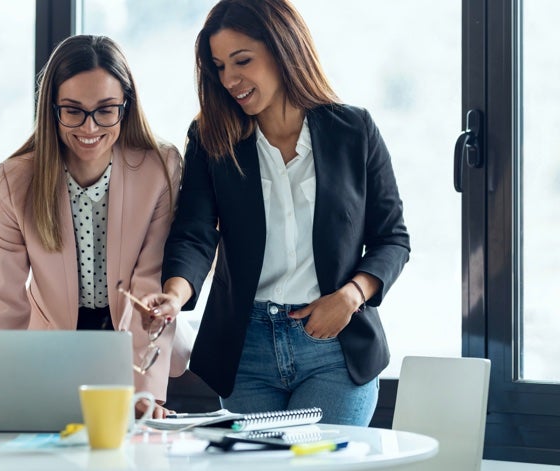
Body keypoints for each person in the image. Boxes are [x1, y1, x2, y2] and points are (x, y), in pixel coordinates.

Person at [141, 0, 410, 426]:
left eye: (242, 60)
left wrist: (351, 296)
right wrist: (175, 295)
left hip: (333, 346)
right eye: (219, 67)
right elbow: (194, 231)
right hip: (245, 351)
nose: (230, 79)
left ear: (282, 47)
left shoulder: (353, 131)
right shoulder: (212, 138)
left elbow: (392, 238)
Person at [0, 35, 186, 418]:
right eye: (72, 111)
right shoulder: (14, 180)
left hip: (133, 341)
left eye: (106, 110)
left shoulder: (160, 168)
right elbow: (2, 300)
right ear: (51, 109)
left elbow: (150, 284)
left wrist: (147, 394)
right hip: (52, 347)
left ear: (126, 107)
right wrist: (0, 389)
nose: (89, 127)